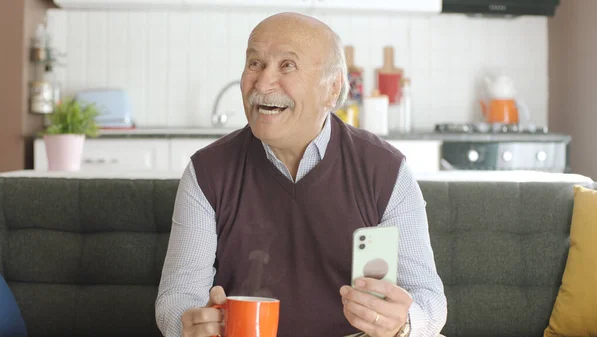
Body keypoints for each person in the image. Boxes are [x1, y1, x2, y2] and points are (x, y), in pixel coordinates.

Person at [155, 12, 447, 337]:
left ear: (332, 87)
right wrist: (190, 327)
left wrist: (403, 324)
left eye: (287, 66)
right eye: (254, 63)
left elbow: (429, 302)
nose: (262, 83)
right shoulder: (207, 172)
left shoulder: (386, 171)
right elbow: (177, 298)